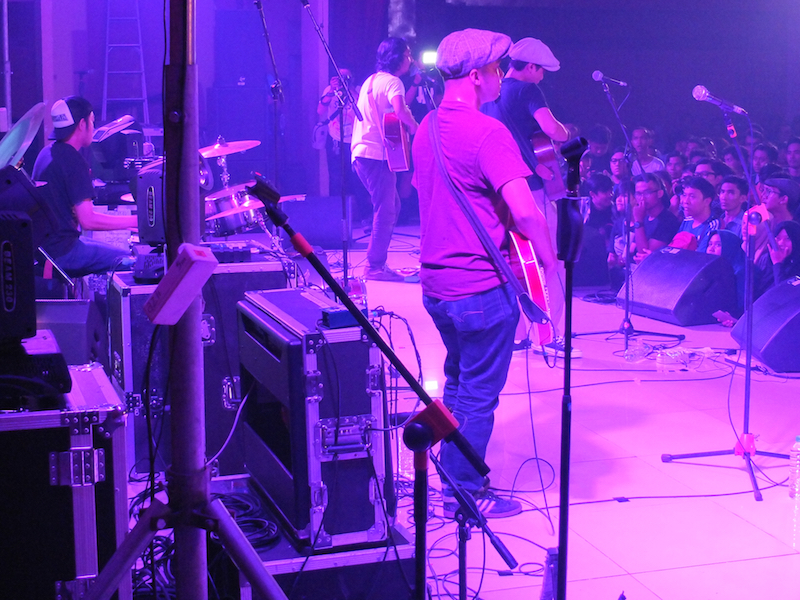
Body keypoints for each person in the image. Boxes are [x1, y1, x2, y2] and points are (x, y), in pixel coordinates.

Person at [412, 29, 557, 519]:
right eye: (496, 69)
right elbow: (527, 212)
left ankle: (446, 476)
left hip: (436, 285)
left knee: (458, 381)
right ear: (476, 76)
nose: (500, 76)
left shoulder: (426, 127)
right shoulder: (488, 132)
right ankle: (462, 495)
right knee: (478, 393)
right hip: (479, 286)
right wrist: (550, 262)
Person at [480, 36, 573, 357]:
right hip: (529, 190)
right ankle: (549, 335)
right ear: (530, 67)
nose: (543, 76)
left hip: (496, 190)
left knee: (511, 262)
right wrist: (565, 132)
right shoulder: (527, 90)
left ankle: (517, 336)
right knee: (552, 261)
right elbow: (551, 129)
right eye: (541, 70)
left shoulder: (490, 93)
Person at [32, 96, 136, 278]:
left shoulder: (45, 153)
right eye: (92, 121)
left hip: (45, 250)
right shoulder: (73, 160)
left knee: (119, 253)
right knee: (133, 261)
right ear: (82, 124)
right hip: (63, 252)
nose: (93, 128)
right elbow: (88, 221)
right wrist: (135, 222)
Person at [351, 38, 419, 282]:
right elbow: (399, 110)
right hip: (376, 155)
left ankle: (377, 262)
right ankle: (375, 266)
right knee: (386, 210)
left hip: (361, 153)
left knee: (392, 207)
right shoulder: (394, 82)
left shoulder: (370, 81)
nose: (410, 59)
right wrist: (415, 127)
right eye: (408, 55)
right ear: (397, 58)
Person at [631, 173, 680, 262]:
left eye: (647, 193)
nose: (642, 198)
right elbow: (632, 249)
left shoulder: (668, 221)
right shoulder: (645, 217)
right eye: (638, 194)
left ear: (659, 193)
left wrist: (638, 221)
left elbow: (645, 255)